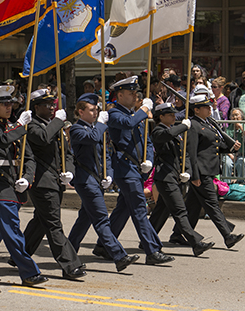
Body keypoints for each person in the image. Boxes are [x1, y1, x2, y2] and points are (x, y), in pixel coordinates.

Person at [0, 85, 47, 287]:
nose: (9, 107)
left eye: (11, 103)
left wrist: (27, 177)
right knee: (12, 229)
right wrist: (19, 125)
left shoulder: (14, 127)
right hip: (0, 183)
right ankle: (28, 272)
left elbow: (29, 158)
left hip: (16, 184)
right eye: (4, 104)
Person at [66, 93, 139, 272]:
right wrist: (101, 124)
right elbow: (91, 138)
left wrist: (109, 175)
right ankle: (119, 256)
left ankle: (68, 254)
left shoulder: (97, 129)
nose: (95, 112)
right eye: (91, 110)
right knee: (101, 220)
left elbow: (105, 154)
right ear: (80, 112)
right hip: (85, 180)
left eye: (97, 109)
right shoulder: (77, 129)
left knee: (84, 220)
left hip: (96, 180)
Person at [103, 77, 173, 265]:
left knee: (123, 209)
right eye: (131, 93)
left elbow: (147, 141)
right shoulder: (116, 114)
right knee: (140, 209)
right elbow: (128, 124)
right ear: (119, 95)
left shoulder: (136, 114)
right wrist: (144, 109)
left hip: (137, 168)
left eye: (136, 92)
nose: (136, 96)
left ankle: (103, 245)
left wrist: (149, 160)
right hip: (124, 168)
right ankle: (152, 250)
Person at [19, 89, 85, 279]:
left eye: (52, 104)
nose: (50, 108)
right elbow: (43, 138)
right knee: (54, 224)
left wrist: (69, 171)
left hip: (56, 181)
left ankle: (19, 256)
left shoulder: (54, 126)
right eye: (46, 105)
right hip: (42, 182)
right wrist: (58, 121)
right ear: (36, 107)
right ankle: (70, 265)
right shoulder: (31, 125)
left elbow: (67, 153)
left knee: (41, 222)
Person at [147, 103, 214, 257]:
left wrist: (186, 172)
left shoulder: (173, 131)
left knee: (160, 212)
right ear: (161, 117)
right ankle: (196, 243)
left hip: (173, 175)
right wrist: (183, 127)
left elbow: (182, 155)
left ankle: (147, 240)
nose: (173, 117)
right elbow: (166, 136)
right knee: (180, 211)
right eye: (170, 115)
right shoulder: (158, 131)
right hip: (165, 177)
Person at [179, 95, 245, 249]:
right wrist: (194, 175)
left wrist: (230, 148)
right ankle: (227, 236)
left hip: (208, 169)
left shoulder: (207, 123)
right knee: (212, 204)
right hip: (201, 172)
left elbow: (214, 145)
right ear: (196, 110)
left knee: (193, 207)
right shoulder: (193, 125)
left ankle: (177, 234)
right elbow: (191, 152)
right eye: (206, 107)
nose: (210, 109)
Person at [223, 108, 245, 183]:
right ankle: (226, 184)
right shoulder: (227, 129)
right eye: (233, 115)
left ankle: (240, 183)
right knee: (226, 163)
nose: (235, 117)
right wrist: (231, 155)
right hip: (230, 154)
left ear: (242, 117)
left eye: (237, 115)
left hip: (242, 154)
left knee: (241, 162)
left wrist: (242, 130)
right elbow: (224, 144)